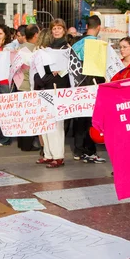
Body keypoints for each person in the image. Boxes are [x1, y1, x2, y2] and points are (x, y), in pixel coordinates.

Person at [33, 20, 71, 168]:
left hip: (59, 88)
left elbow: (69, 69)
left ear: (64, 30)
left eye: (59, 28)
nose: (56, 31)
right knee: (46, 122)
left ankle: (58, 156)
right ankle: (48, 154)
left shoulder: (67, 48)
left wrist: (59, 71)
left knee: (56, 124)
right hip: (47, 86)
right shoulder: (48, 48)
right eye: (54, 28)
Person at [71, 15, 106, 164]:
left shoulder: (76, 44)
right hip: (91, 86)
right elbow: (100, 70)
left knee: (79, 119)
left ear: (87, 27)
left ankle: (78, 150)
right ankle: (89, 151)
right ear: (98, 27)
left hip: (77, 86)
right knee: (91, 121)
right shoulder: (98, 45)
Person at [16, 24, 41, 152]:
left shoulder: (19, 49)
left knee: (21, 117)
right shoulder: (34, 51)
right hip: (28, 87)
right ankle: (27, 144)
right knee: (28, 117)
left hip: (19, 85)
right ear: (36, 35)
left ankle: (22, 143)